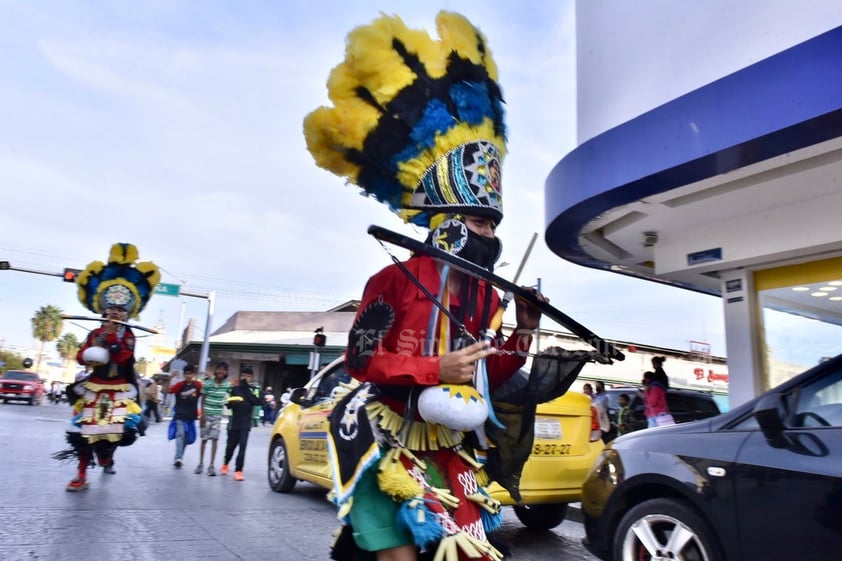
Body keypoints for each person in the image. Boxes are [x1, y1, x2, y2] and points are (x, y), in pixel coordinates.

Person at [304, 12, 546, 561]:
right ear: (449, 223)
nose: (490, 236)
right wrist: (438, 369)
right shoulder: (390, 279)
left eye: (494, 225)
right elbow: (363, 361)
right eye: (482, 223)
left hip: (450, 445)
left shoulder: (484, 295)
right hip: (387, 435)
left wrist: (525, 331)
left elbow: (490, 375)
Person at [56, 243, 160, 491]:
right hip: (94, 387)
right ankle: (81, 474)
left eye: (120, 309)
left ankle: (106, 455)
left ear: (127, 312)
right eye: (112, 308)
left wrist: (113, 339)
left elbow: (124, 359)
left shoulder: (129, 335)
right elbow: (81, 357)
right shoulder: (94, 332)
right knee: (84, 432)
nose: (116, 312)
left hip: (120, 389)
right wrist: (91, 352)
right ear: (104, 309)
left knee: (116, 431)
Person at [220, 366, 262, 481]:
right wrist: (234, 401)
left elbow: (258, 401)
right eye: (243, 376)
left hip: (246, 424)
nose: (245, 378)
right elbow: (227, 403)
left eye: (248, 376)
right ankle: (225, 463)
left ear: (252, 378)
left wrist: (246, 390)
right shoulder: (234, 388)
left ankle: (239, 470)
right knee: (230, 446)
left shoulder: (255, 389)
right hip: (233, 423)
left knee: (242, 447)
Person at [195, 361, 232, 476]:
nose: (221, 371)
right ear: (216, 371)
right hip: (206, 415)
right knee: (204, 439)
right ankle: (200, 464)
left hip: (217, 416)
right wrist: (202, 415)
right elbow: (203, 399)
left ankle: (211, 466)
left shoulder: (227, 385)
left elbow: (233, 394)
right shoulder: (208, 383)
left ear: (226, 372)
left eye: (223, 370)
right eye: (219, 369)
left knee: (215, 439)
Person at [168, 364, 202, 468]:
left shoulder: (198, 385)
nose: (188, 376)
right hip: (180, 415)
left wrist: (209, 378)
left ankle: (179, 457)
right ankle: (178, 458)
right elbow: (168, 390)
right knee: (180, 435)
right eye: (186, 374)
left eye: (190, 373)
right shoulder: (180, 385)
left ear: (194, 374)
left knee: (187, 439)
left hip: (191, 417)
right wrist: (171, 377)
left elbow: (207, 391)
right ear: (183, 374)